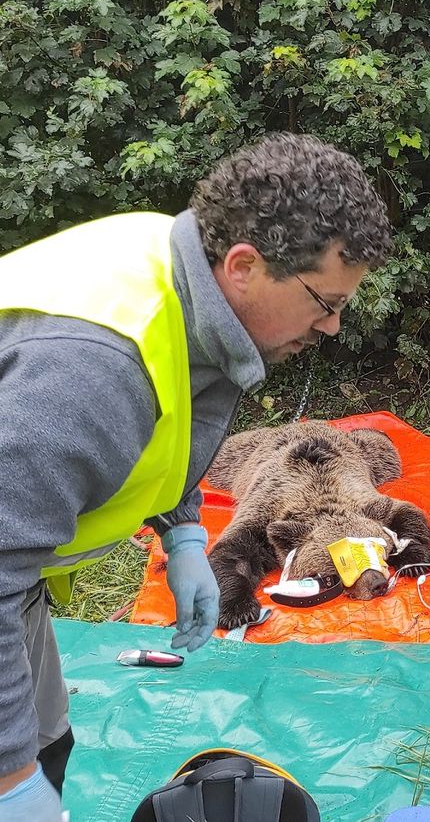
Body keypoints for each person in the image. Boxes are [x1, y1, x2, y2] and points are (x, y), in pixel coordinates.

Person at [0, 133, 393, 820]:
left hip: (15, 578)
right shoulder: (91, 370)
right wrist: (11, 783)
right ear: (245, 265)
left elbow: (178, 414)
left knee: (46, 743)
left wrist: (184, 535)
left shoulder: (181, 274)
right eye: (324, 301)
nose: (332, 327)